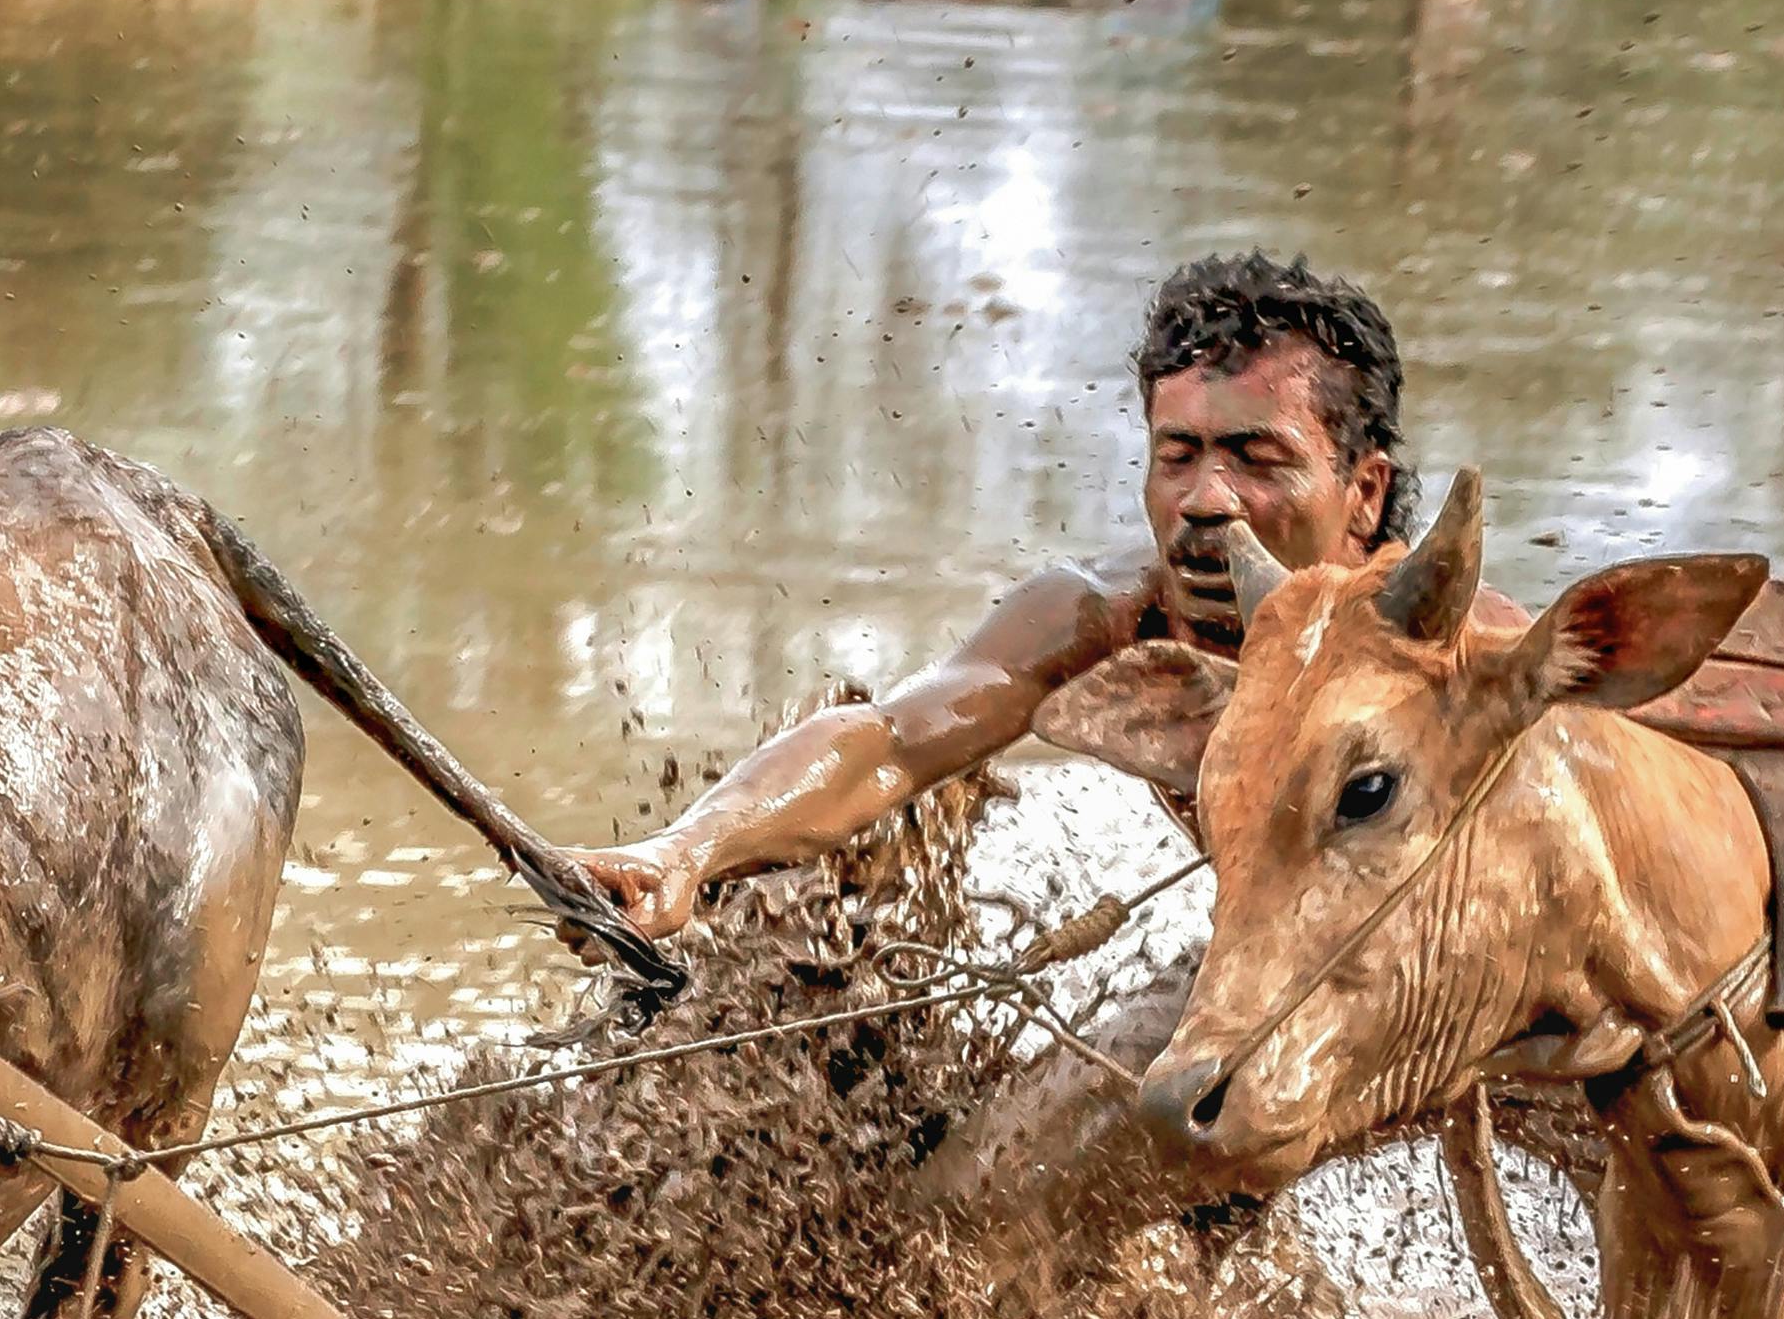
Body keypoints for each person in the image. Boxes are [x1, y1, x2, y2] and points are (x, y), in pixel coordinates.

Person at [569, 252, 1483, 1249]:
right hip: (1259, 984)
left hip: (1472, 990)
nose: (1205, 500)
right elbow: (893, 740)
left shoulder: (1466, 664)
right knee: (965, 1211)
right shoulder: (1117, 615)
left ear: (1362, 492)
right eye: (1178, 454)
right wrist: (686, 852)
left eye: (1257, 460)